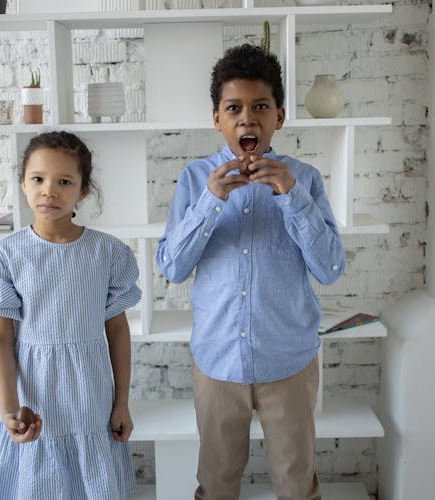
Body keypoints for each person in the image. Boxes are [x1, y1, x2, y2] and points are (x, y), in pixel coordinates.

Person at [156, 44, 346, 500]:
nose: (247, 119)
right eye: (234, 108)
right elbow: (173, 267)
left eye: (261, 106)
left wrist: (291, 194)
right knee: (217, 483)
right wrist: (210, 201)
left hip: (289, 361)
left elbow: (331, 268)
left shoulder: (305, 179)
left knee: (297, 484)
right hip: (218, 360)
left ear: (279, 116)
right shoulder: (193, 179)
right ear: (217, 119)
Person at [0, 131, 140, 499]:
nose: (49, 190)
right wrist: (9, 410)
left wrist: (122, 403)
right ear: (23, 184)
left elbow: (117, 330)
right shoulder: (6, 255)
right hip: (35, 394)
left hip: (90, 394)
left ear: (82, 191)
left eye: (64, 181)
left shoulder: (107, 253)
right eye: (38, 179)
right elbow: (2, 338)